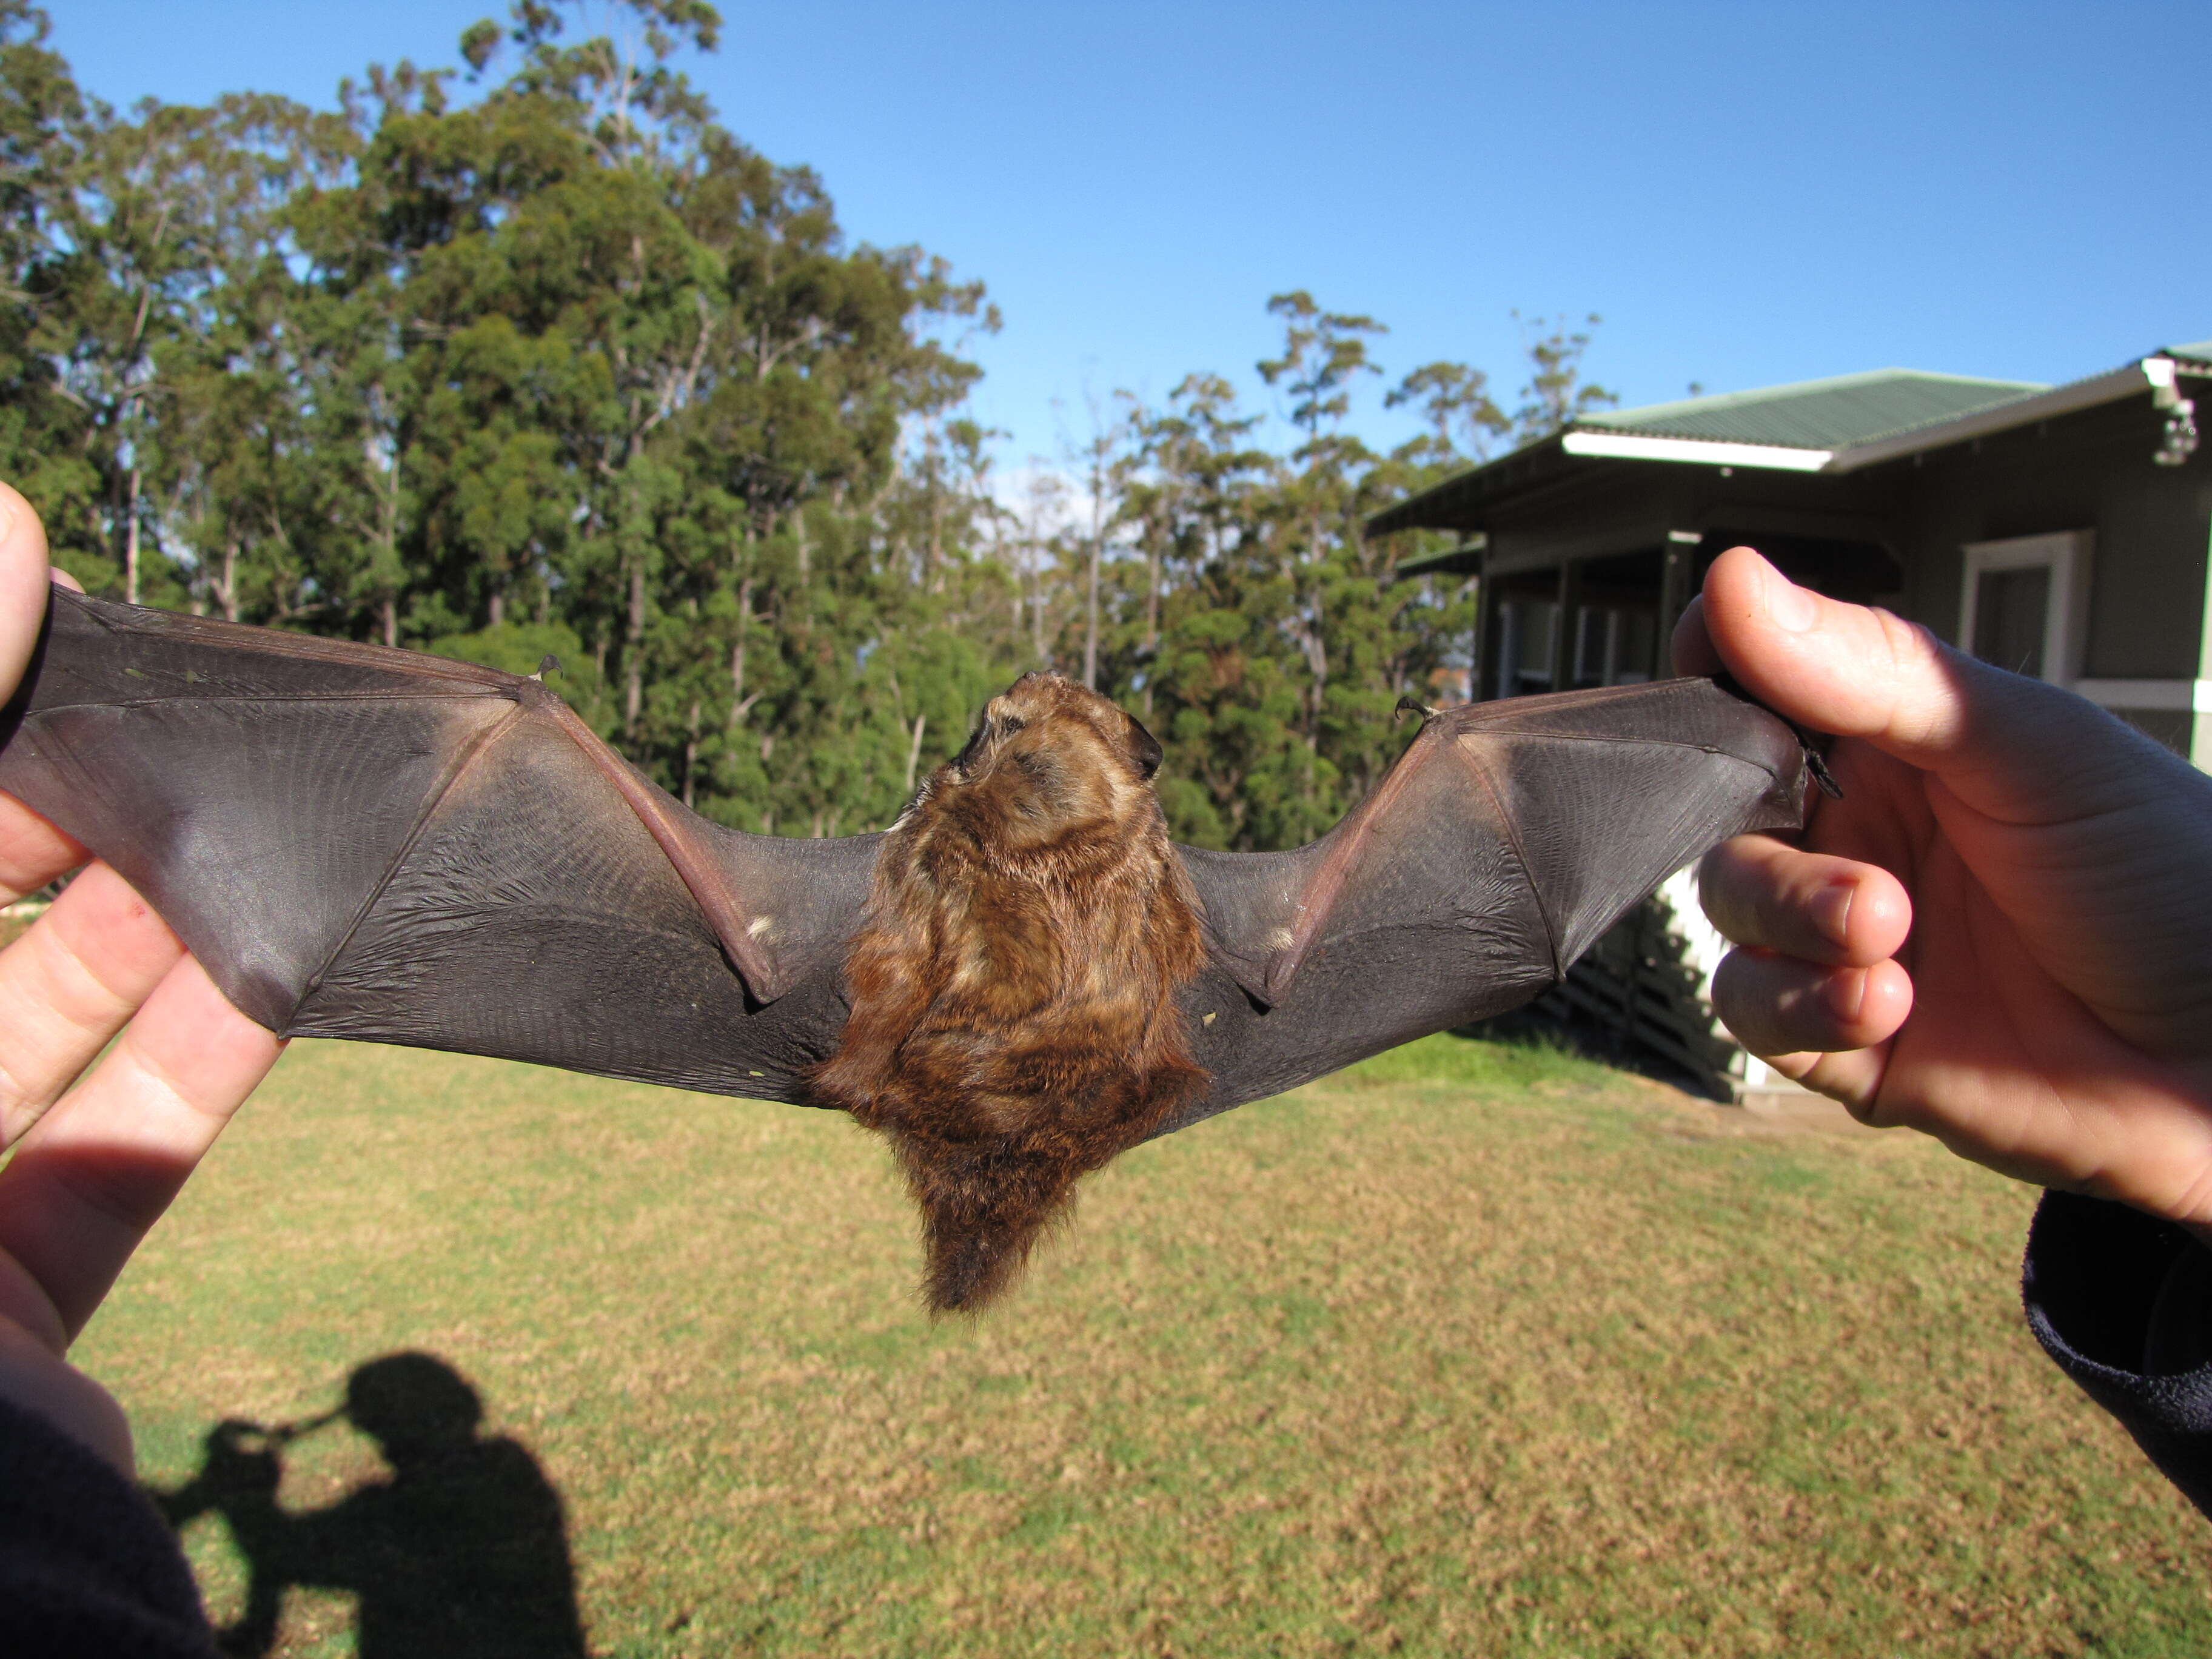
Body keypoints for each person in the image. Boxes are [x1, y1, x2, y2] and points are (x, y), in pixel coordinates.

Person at [0, 477, 2207, 1645]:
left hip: (868, 1033)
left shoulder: (806, 934)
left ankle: (78, 694)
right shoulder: (1236, 947)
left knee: (490, 738)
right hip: (1134, 1052)